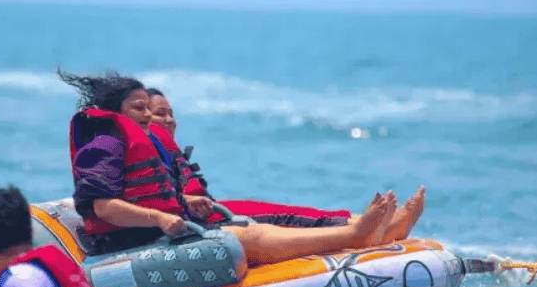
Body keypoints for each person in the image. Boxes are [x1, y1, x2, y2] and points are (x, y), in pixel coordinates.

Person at [60, 70, 397, 264]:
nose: (149, 117)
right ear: (115, 111)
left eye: (151, 109)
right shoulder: (104, 141)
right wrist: (160, 217)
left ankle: (357, 233)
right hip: (127, 244)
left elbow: (137, 196)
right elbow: (102, 207)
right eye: (139, 109)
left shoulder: (126, 139)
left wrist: (183, 204)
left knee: (249, 224)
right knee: (243, 235)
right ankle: (353, 234)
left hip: (153, 232)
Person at [145, 87, 425, 243]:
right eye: (161, 114)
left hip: (211, 210)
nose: (170, 120)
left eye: (171, 113)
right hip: (205, 219)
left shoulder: (159, 144)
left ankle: (379, 226)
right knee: (283, 218)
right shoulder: (144, 146)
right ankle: (364, 231)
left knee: (291, 212)